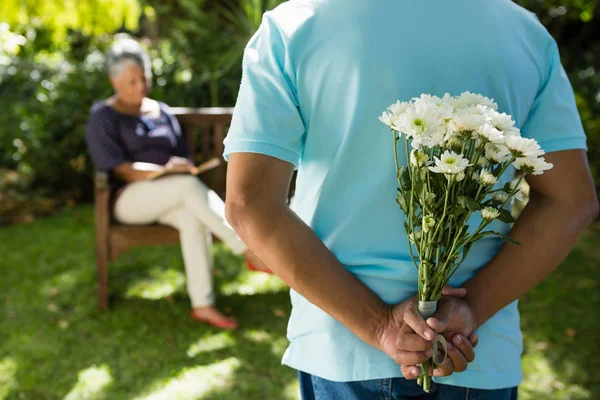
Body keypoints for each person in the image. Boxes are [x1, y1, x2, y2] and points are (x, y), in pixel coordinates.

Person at [222, 1, 599, 399]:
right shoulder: (524, 33)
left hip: (344, 348)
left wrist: (378, 324)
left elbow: (249, 204)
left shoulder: (294, 26)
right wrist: (471, 311)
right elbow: (570, 201)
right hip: (474, 350)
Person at [85, 38, 269, 330]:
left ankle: (203, 304)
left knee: (190, 218)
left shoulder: (161, 111)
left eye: (144, 78)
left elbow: (182, 155)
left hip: (174, 195)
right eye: (132, 81)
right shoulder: (103, 117)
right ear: (114, 81)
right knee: (185, 188)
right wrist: (163, 171)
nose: (140, 86)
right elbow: (119, 169)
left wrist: (183, 166)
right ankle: (249, 248)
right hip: (129, 201)